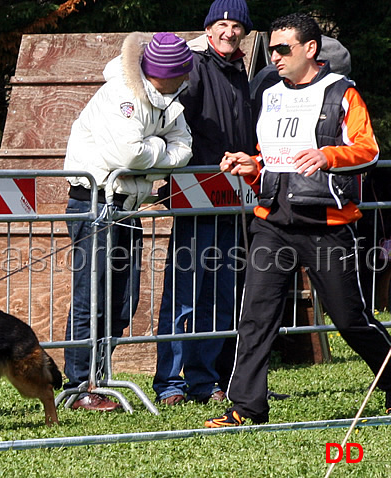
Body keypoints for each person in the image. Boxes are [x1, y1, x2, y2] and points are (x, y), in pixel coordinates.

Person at [206, 12, 391, 427]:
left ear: (310, 49)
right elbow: (270, 157)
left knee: (350, 319)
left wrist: (329, 156)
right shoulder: (269, 91)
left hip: (326, 224)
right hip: (272, 220)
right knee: (256, 315)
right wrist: (249, 164)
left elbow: (369, 150)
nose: (274, 56)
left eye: (282, 48)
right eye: (271, 48)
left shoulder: (342, 93)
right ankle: (246, 407)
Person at [63, 32, 193, 411]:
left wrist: (151, 151)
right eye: (183, 70)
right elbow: (130, 153)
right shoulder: (123, 95)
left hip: (127, 206)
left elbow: (185, 148)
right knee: (92, 297)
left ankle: (99, 379)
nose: (188, 76)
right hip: (95, 205)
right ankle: (79, 386)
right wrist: (160, 149)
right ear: (165, 71)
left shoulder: (168, 100)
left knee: (122, 301)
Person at [152, 0, 254, 406]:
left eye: (236, 25)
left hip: (232, 200)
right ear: (208, 30)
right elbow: (173, 127)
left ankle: (205, 380)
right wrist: (181, 177)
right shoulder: (193, 67)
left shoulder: (242, 73)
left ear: (245, 31)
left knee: (221, 294)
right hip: (196, 196)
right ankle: (169, 383)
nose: (229, 32)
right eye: (222, 24)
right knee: (183, 292)